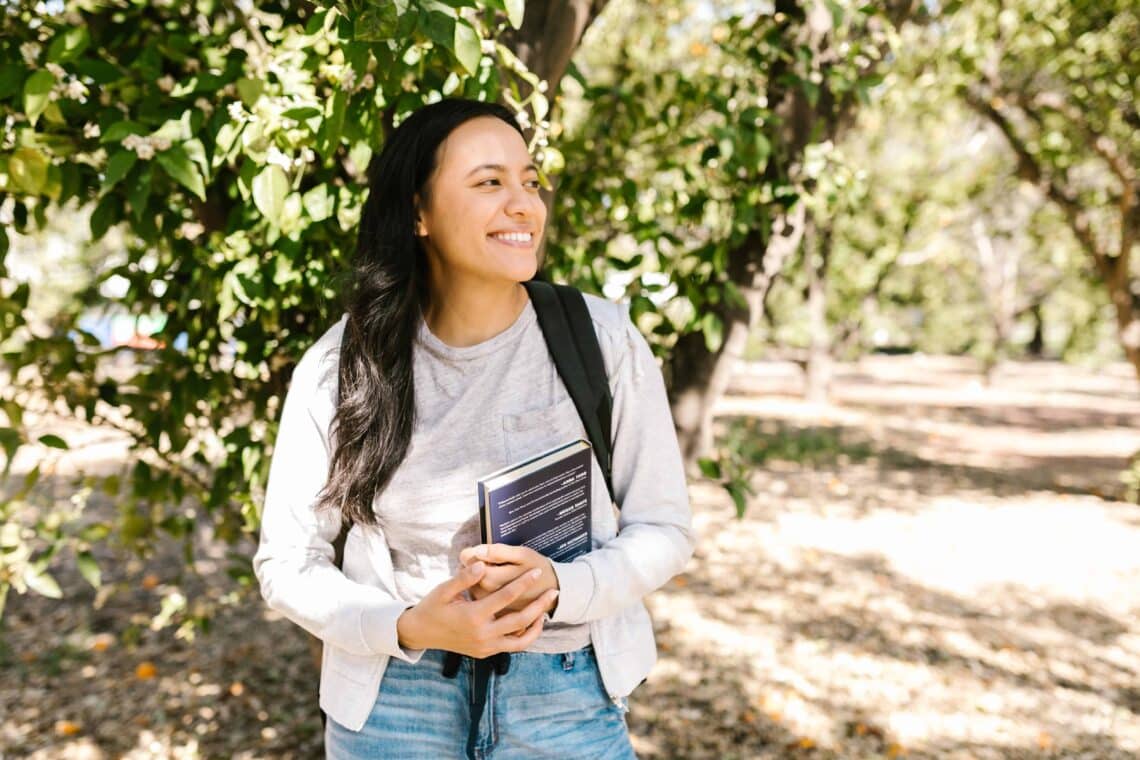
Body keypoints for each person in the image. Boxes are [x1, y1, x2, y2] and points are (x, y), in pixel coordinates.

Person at [253, 97, 694, 759]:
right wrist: (405, 623)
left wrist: (561, 586)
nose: (524, 204)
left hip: (565, 699)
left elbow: (664, 529)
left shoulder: (602, 342)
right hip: (395, 705)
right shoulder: (341, 365)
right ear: (418, 213)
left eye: (529, 181)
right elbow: (286, 563)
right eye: (489, 182)